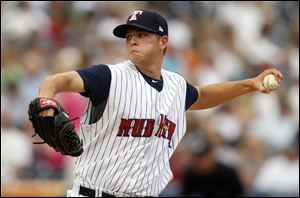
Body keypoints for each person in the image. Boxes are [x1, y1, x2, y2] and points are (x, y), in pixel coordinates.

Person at [33, 10, 283, 197]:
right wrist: (46, 103)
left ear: (163, 42)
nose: (132, 40)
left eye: (142, 35)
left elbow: (203, 95)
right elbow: (55, 81)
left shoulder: (177, 86)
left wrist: (250, 84)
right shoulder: (109, 76)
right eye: (129, 36)